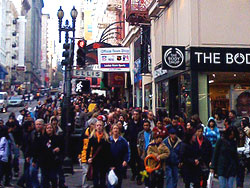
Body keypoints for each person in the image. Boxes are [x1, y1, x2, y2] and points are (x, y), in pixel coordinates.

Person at [86, 120, 111, 188]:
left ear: (103, 127)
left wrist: (109, 162)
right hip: (95, 160)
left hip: (104, 160)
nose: (99, 127)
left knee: (103, 177)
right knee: (95, 178)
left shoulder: (106, 137)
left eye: (100, 125)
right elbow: (88, 149)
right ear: (95, 127)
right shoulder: (92, 137)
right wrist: (88, 158)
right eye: (97, 125)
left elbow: (109, 151)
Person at [39, 123, 62, 188]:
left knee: (53, 178)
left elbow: (61, 146)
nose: (49, 129)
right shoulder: (42, 138)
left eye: (50, 128)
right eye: (48, 128)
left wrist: (58, 149)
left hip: (54, 161)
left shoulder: (57, 138)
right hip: (44, 161)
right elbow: (39, 149)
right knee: (45, 179)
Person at [124, 110, 143, 185]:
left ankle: (139, 177)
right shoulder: (130, 123)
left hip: (139, 145)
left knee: (139, 161)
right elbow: (127, 133)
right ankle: (134, 172)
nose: (135, 116)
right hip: (132, 145)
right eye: (134, 114)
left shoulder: (141, 124)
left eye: (137, 114)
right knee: (131, 161)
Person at [109, 124, 130, 188]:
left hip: (120, 165)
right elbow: (105, 153)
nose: (115, 130)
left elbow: (127, 152)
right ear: (112, 130)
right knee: (111, 183)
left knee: (118, 183)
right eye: (114, 128)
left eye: (117, 128)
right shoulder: (108, 140)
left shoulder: (123, 141)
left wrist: (125, 160)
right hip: (110, 165)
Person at [79, 119, 96, 188]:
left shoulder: (97, 134)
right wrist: (79, 155)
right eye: (93, 124)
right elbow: (80, 145)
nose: (94, 126)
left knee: (93, 172)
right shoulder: (84, 133)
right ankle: (85, 185)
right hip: (84, 155)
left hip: (94, 155)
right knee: (85, 172)